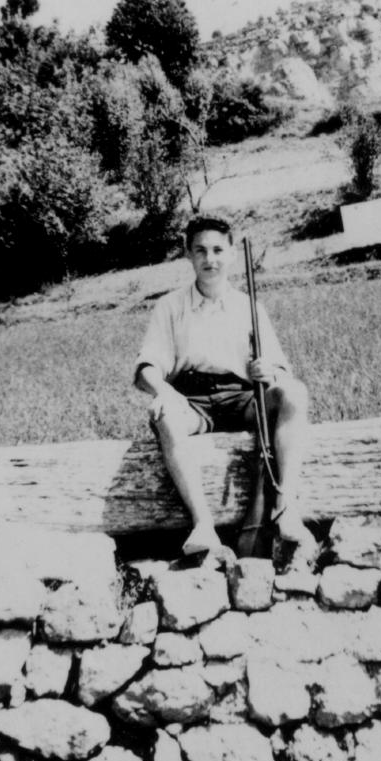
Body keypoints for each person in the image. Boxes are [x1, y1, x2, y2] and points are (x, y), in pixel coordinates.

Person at [134, 213, 313, 563]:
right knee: (165, 414)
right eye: (200, 250)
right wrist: (164, 391)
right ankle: (203, 526)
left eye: (217, 250)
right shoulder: (170, 307)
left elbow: (279, 368)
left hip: (242, 396)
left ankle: (285, 506)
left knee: (296, 393)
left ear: (231, 253)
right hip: (191, 399)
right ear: (187, 254)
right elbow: (146, 368)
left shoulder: (249, 307)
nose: (209, 259)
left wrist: (268, 372)